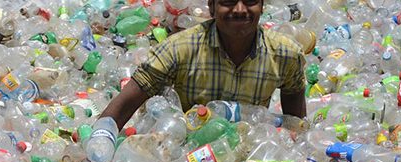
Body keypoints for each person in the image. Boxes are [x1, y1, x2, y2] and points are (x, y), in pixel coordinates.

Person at [99, 0, 307, 130]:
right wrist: (99, 145)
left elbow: (296, 124)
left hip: (248, 156)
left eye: (250, 1)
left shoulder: (285, 54)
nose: (240, 9)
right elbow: (124, 106)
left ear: (262, 6)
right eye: (228, 1)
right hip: (189, 158)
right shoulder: (178, 49)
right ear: (212, 7)